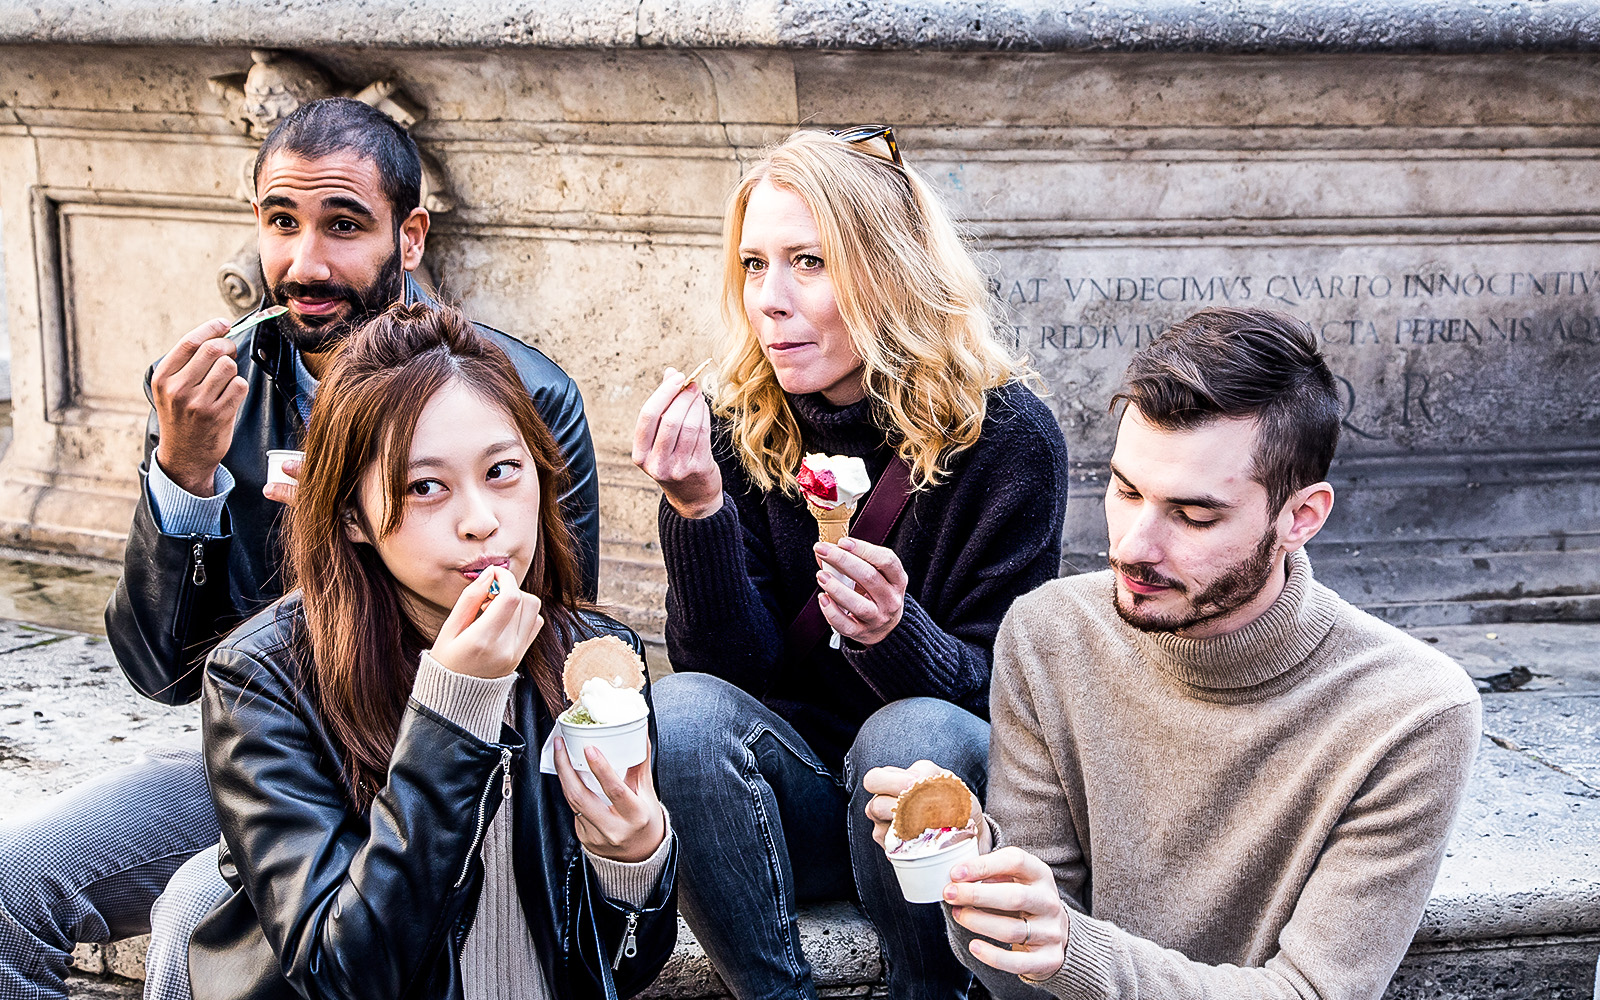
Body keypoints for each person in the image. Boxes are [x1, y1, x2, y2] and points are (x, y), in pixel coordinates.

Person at [0, 97, 600, 1000]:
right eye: (283, 222)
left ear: (410, 237)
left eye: (345, 225)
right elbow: (161, 673)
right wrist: (185, 474)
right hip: (266, 755)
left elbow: (553, 636)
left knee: (195, 924)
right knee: (10, 887)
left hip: (433, 758)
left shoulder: (521, 399)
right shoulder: (213, 399)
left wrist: (380, 518)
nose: (306, 261)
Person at [864, 307, 1482, 999]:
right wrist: (985, 880)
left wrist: (1072, 947)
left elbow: (1312, 994)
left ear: (1300, 517)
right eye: (1125, 491)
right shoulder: (1049, 633)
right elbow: (1025, 987)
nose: (1133, 546)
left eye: (1193, 515)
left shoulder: (1413, 712)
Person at [632, 127, 1070, 1000]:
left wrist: (895, 636)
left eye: (810, 262)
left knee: (909, 734)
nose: (771, 301)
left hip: (933, 801)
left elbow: (1009, 701)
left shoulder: (1008, 441)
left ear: (888, 270)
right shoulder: (736, 428)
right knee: (672, 711)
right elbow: (730, 680)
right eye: (754, 265)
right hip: (787, 804)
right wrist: (698, 512)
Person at [188, 301, 674, 1000]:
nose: (482, 521)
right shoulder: (263, 682)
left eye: (503, 471)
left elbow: (622, 970)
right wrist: (453, 709)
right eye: (425, 487)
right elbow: (347, 972)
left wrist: (633, 859)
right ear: (351, 515)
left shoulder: (592, 659)